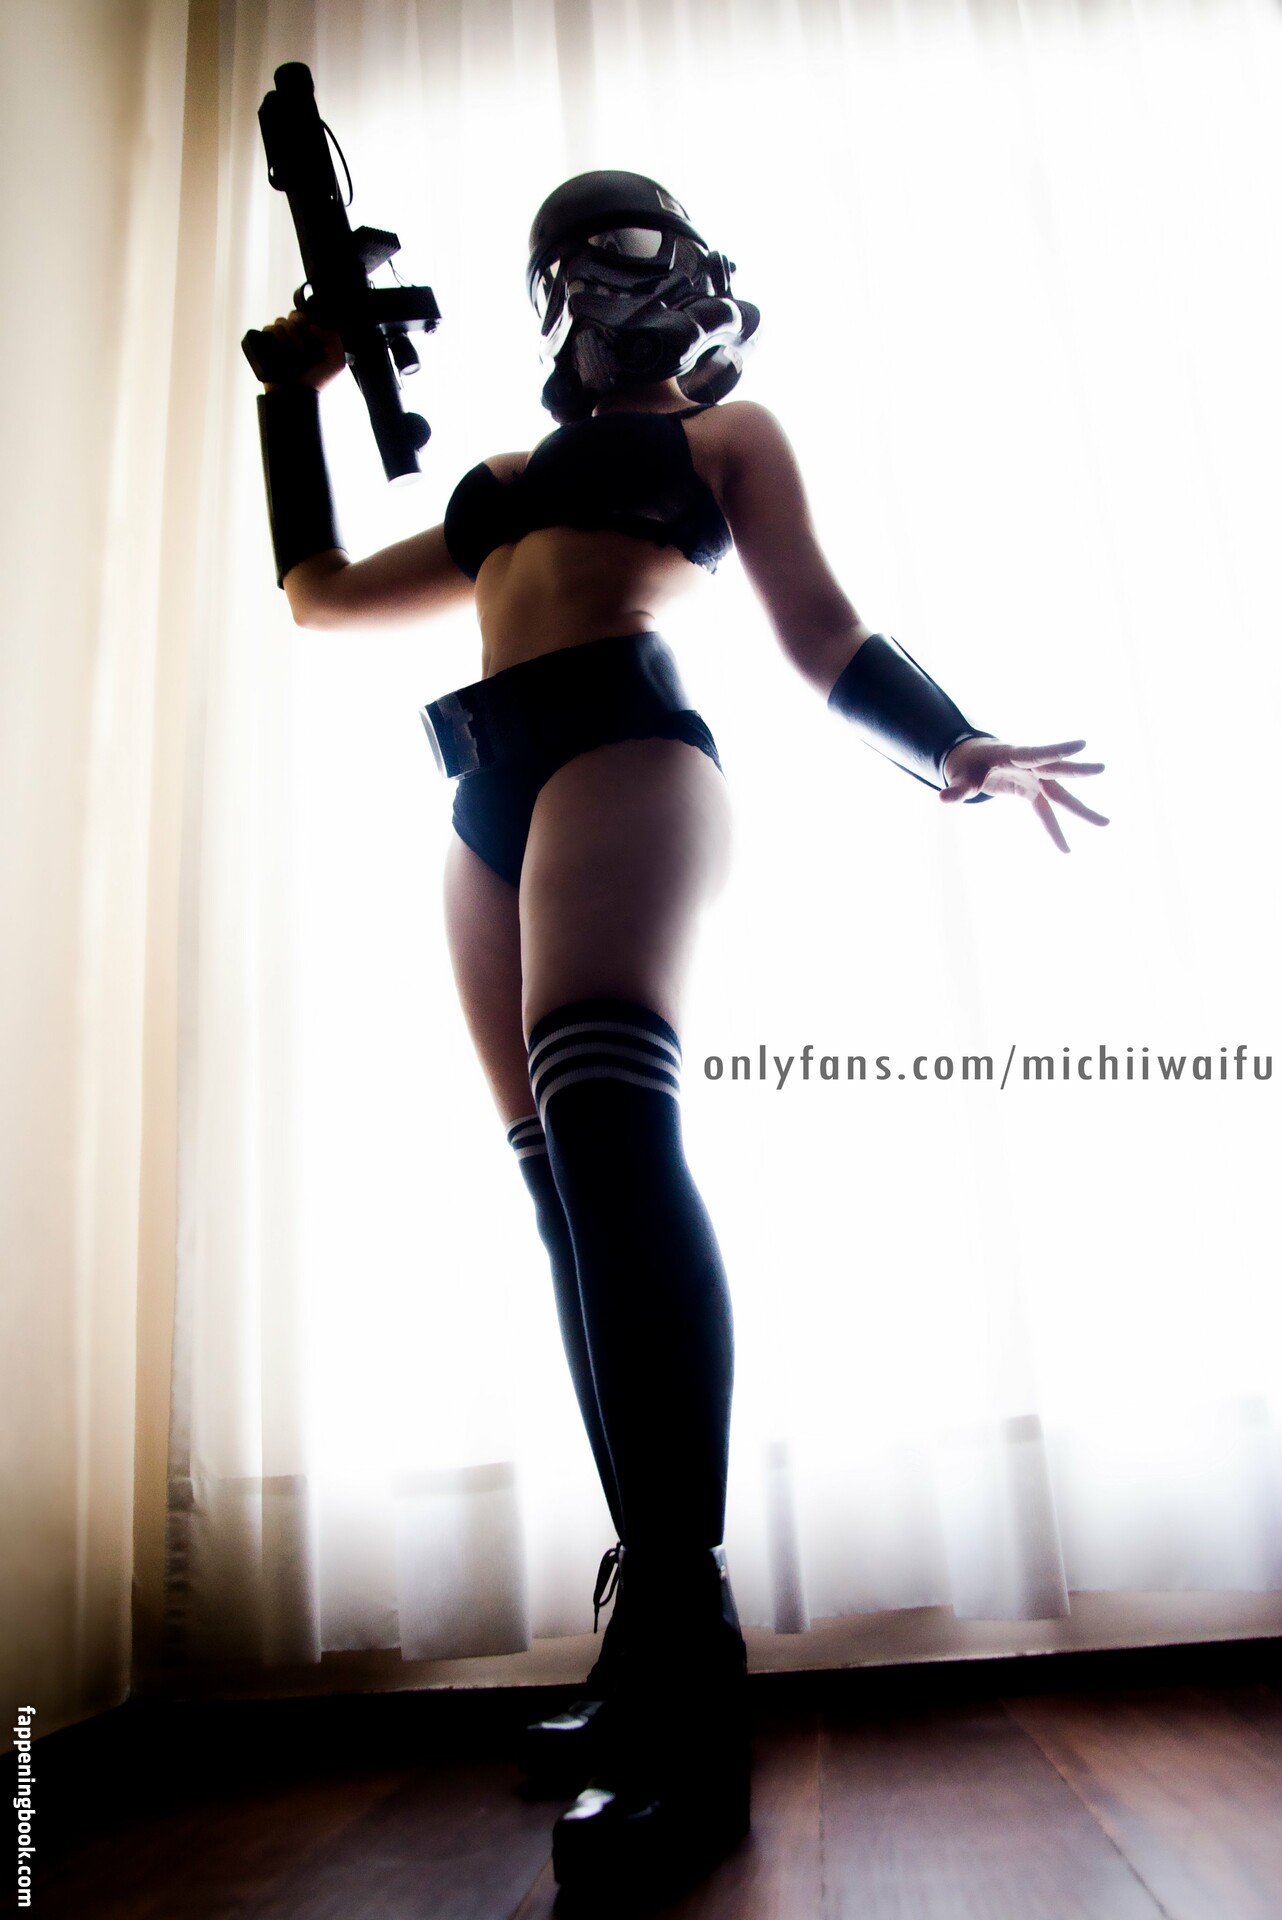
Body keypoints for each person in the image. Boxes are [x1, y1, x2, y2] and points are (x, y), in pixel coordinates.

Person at [252, 169, 1107, 1903]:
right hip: (481, 791)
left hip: (623, 750)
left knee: (612, 1144)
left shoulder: (724, 436)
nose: (593, 274)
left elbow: (819, 630)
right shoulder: (498, 486)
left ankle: (686, 1673)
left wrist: (949, 744)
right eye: (566, 254)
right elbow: (319, 594)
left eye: (626, 242)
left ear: (688, 275)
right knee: (558, 1196)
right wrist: (292, 401)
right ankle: (644, 1633)